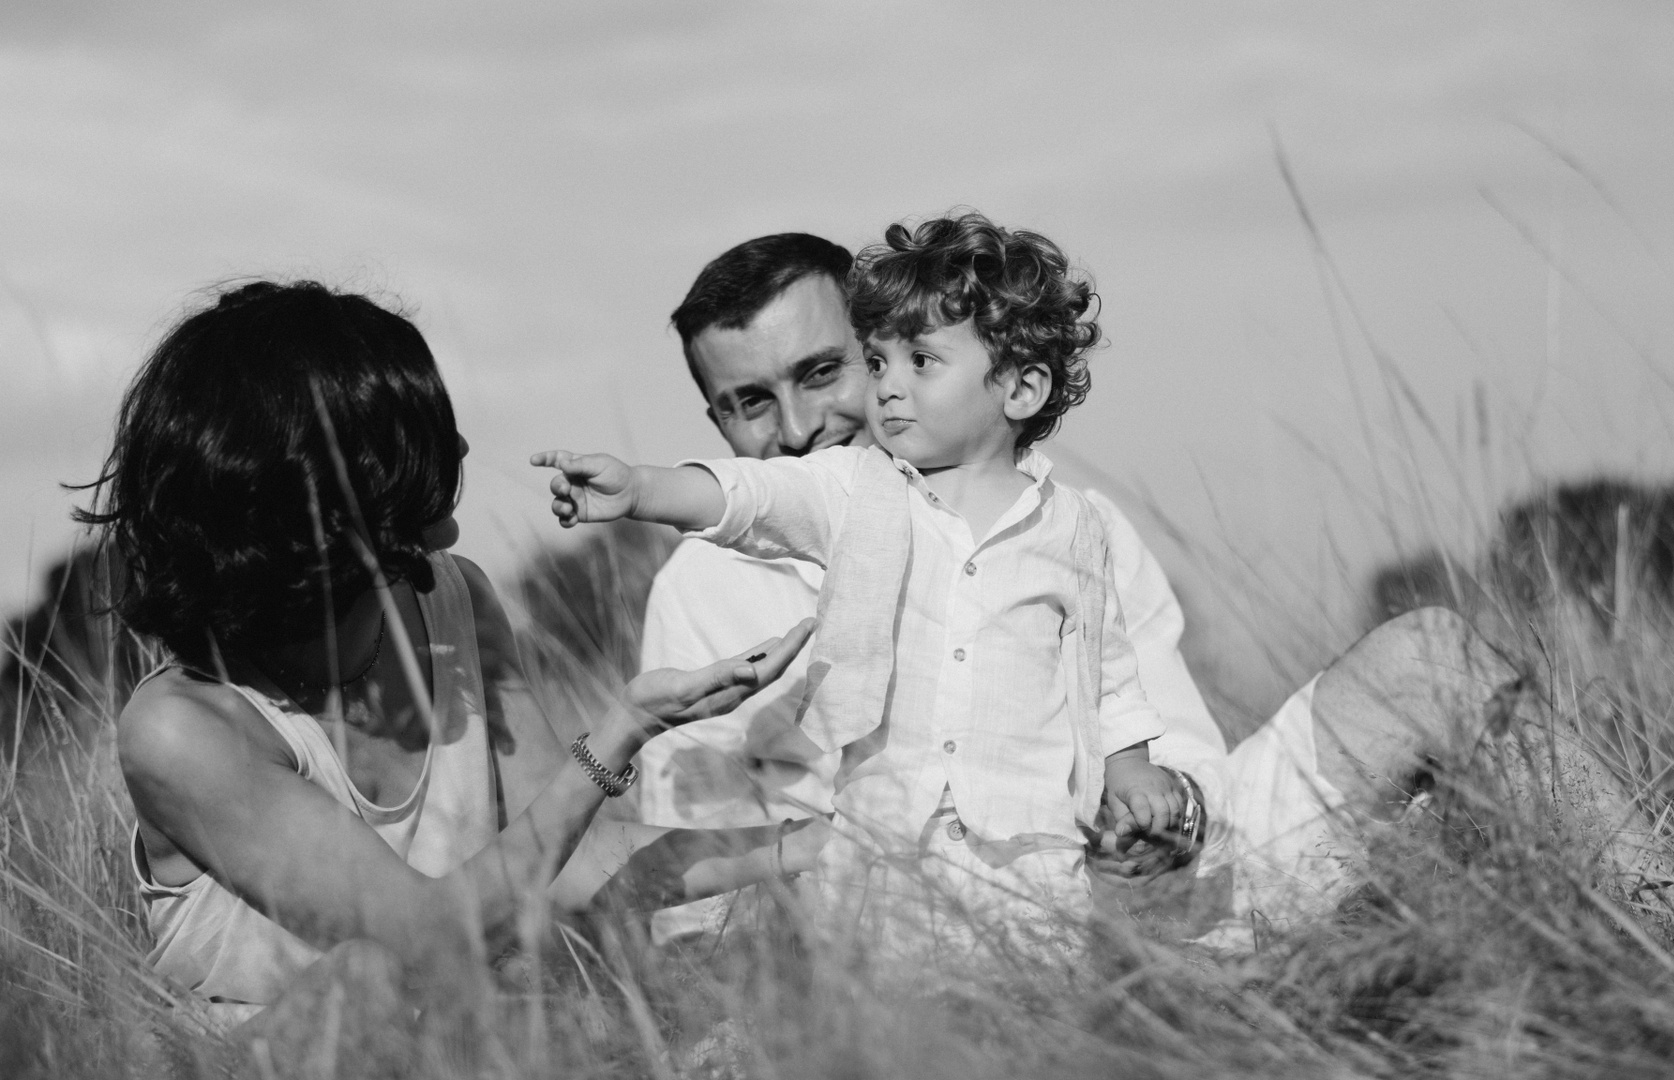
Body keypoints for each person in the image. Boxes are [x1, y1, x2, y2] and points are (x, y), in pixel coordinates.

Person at [85, 281, 813, 1048]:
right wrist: (622, 729)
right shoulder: (182, 728)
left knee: (607, 967)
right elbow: (426, 941)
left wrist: (805, 844)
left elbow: (565, 863)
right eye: (424, 432)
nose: (460, 450)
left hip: (461, 1045)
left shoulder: (453, 598)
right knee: (366, 981)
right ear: (330, 478)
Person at [537, 213, 1197, 938]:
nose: (798, 429)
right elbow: (692, 875)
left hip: (1039, 881)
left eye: (823, 372)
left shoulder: (1077, 530)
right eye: (751, 401)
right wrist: (641, 488)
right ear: (716, 418)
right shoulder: (706, 583)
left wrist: (1147, 811)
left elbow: (1132, 704)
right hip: (855, 921)